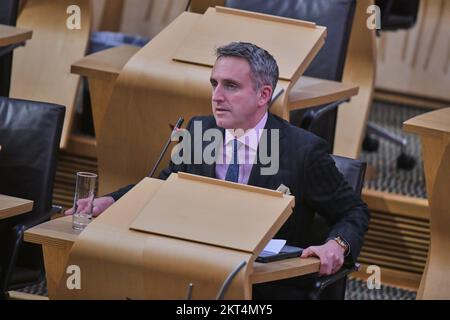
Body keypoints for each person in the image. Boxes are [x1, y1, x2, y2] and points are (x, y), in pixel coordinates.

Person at [66, 42, 370, 299]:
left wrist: (337, 244)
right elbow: (162, 188)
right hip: (192, 275)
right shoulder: (199, 131)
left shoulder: (302, 151)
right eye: (214, 83)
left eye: (231, 86)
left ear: (264, 95)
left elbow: (353, 211)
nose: (216, 96)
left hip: (263, 288)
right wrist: (112, 201)